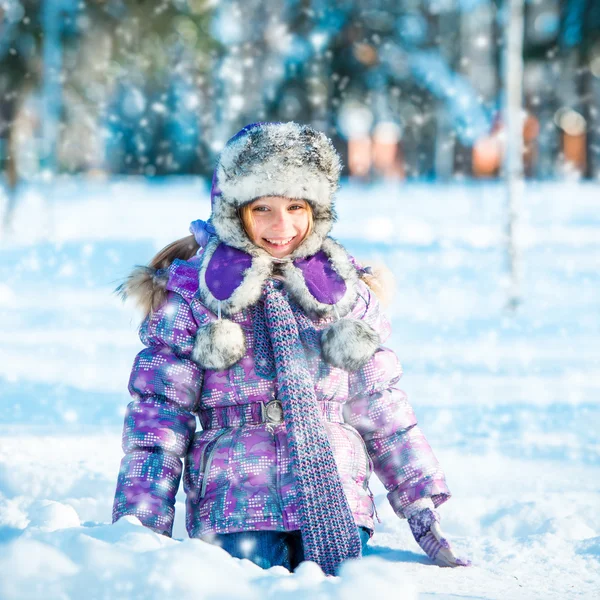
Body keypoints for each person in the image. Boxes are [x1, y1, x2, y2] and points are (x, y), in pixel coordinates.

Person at [112, 121, 470, 574]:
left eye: (296, 207)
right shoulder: (196, 297)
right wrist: (139, 527)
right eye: (262, 208)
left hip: (336, 502)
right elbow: (158, 419)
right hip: (236, 504)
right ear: (232, 211)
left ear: (316, 210)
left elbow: (384, 410)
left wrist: (422, 508)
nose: (282, 226)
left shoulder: (341, 294)